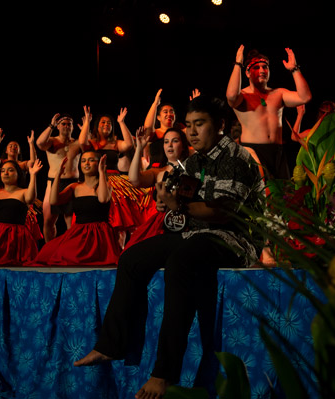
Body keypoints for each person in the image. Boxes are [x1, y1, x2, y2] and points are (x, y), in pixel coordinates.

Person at [74, 96, 265, 399]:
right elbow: (175, 198)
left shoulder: (237, 158)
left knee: (180, 262)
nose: (191, 131)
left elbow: (221, 212)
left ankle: (164, 373)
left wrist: (179, 205)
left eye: (199, 124)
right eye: (188, 125)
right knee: (132, 258)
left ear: (220, 126)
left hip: (233, 239)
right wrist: (167, 200)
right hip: (196, 232)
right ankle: (109, 345)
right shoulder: (192, 162)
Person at [226, 45, 312, 180]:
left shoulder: (279, 93)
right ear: (247, 73)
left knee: (283, 196)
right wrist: (238, 64)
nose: (262, 70)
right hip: (253, 151)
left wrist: (294, 70)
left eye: (265, 67)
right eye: (256, 67)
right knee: (262, 196)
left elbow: (305, 97)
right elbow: (231, 96)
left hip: (277, 152)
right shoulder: (242, 96)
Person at [26, 151, 121, 266]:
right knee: (49, 251)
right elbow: (54, 200)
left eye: (91, 160)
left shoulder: (106, 185)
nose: (86, 163)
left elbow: (103, 199)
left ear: (99, 164)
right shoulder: (75, 187)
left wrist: (101, 172)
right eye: (83, 160)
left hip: (99, 234)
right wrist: (58, 175)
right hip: (79, 232)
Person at [79, 106, 148, 239]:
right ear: (97, 126)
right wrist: (87, 121)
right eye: (103, 122)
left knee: (119, 221)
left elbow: (129, 144)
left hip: (115, 182)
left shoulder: (115, 143)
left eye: (109, 123)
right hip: (96, 182)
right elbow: (82, 143)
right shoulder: (92, 143)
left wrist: (121, 122)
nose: (106, 125)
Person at [125, 126, 190, 250]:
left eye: (175, 141)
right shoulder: (158, 172)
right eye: (166, 142)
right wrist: (139, 148)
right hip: (161, 224)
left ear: (183, 145)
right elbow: (134, 180)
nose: (169, 145)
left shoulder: (193, 169)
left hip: (187, 222)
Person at [36, 113, 82, 242]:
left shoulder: (77, 143)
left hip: (72, 183)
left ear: (73, 127)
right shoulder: (51, 141)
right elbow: (39, 143)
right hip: (53, 183)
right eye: (63, 124)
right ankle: (49, 251)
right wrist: (51, 125)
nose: (66, 126)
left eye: (69, 124)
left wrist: (86, 128)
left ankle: (71, 251)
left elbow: (88, 143)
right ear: (58, 126)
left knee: (72, 222)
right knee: (49, 220)